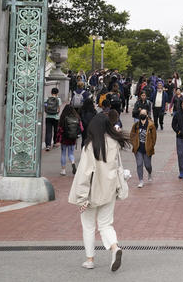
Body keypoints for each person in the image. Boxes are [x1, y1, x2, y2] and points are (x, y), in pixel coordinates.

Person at [68, 114, 128, 271]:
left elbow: (84, 173)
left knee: (88, 225)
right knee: (105, 224)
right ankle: (115, 248)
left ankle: (90, 259)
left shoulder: (90, 146)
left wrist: (82, 197)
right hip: (109, 191)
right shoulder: (114, 143)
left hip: (91, 193)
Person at [130, 108, 156, 189]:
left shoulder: (151, 125)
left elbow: (154, 137)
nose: (142, 115)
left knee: (148, 165)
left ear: (147, 115)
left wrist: (151, 145)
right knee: (139, 164)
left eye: (144, 113)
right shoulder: (136, 125)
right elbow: (132, 135)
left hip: (147, 148)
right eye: (141, 113)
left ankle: (149, 173)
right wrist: (134, 144)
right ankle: (141, 180)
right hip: (138, 148)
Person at [56, 104, 83, 176]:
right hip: (73, 138)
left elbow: (60, 130)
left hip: (64, 138)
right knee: (71, 153)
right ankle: (73, 163)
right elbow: (81, 128)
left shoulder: (63, 118)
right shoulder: (77, 117)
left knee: (63, 153)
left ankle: (63, 170)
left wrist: (58, 140)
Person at [172, 99, 183, 180]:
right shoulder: (177, 114)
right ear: (181, 105)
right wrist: (178, 131)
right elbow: (173, 124)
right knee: (180, 155)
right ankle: (182, 171)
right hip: (180, 138)